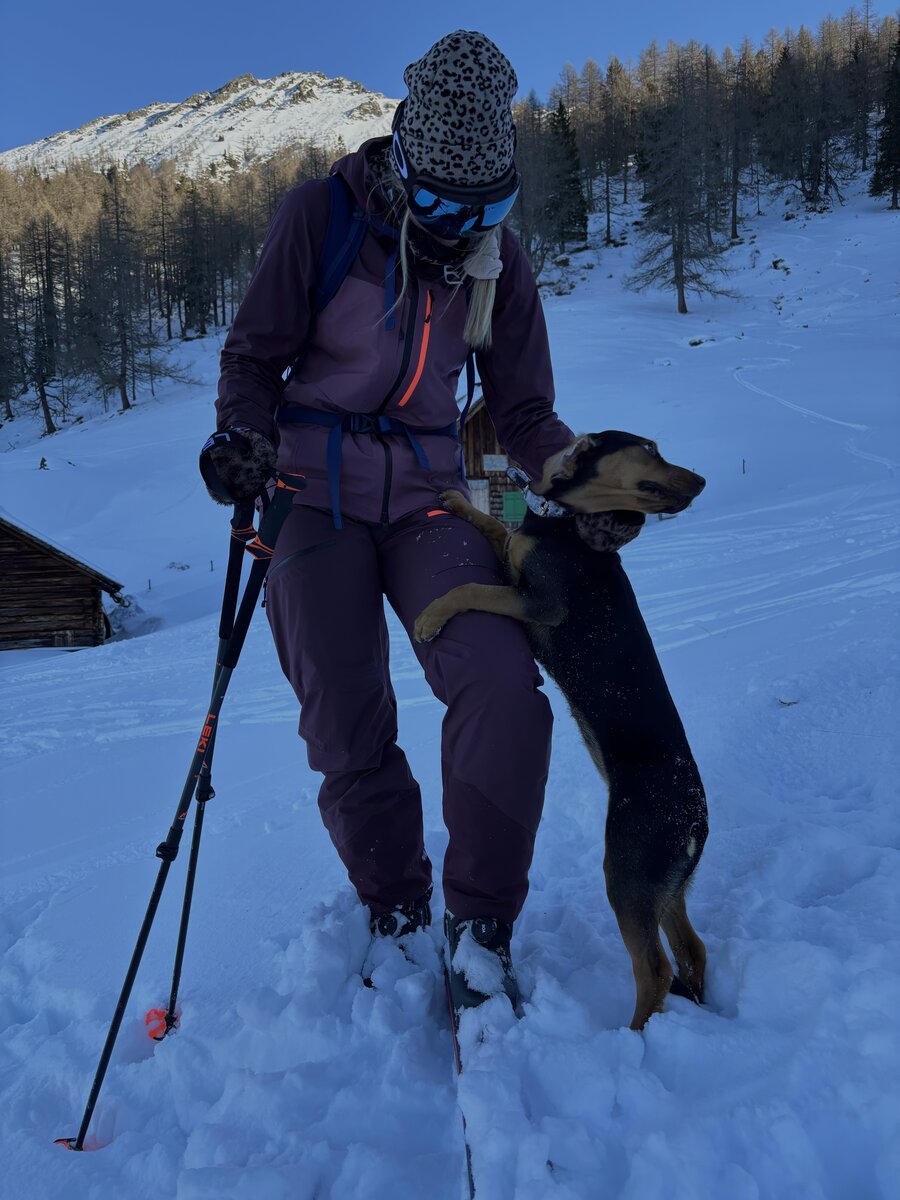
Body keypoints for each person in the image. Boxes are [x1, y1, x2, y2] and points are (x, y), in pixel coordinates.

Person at [202, 31, 579, 1014]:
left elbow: (523, 414)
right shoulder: (320, 219)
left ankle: (482, 924)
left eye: (488, 210)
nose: (466, 232)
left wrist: (572, 478)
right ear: (406, 167)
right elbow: (253, 359)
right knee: (343, 707)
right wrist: (240, 435)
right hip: (307, 493)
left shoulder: (498, 263)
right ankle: (396, 905)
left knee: (503, 684)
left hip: (430, 493)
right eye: (449, 209)